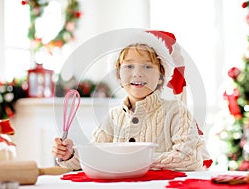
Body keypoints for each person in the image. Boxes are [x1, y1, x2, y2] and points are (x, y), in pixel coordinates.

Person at [52, 30, 212, 171]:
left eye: (147, 67)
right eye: (129, 67)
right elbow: (96, 157)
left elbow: (189, 159)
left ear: (161, 77)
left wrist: (131, 161)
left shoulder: (177, 111)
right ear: (119, 75)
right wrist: (70, 155)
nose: (137, 73)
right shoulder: (113, 117)